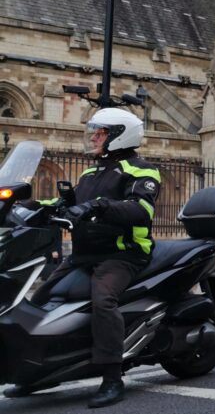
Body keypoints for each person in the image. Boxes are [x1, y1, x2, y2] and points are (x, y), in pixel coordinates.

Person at [5, 108, 159, 408]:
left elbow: (142, 210)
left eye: (100, 133)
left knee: (103, 301)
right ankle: (42, 371)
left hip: (122, 254)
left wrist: (99, 206)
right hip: (84, 255)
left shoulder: (142, 170)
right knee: (41, 300)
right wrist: (31, 206)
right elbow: (69, 202)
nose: (93, 136)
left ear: (118, 136)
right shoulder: (91, 172)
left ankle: (113, 377)